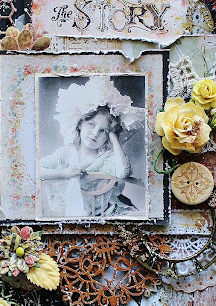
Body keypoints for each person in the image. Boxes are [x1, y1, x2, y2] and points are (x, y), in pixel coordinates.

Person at [38, 76, 144, 218]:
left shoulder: (106, 158)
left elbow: (123, 172)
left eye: (103, 131)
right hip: (72, 214)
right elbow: (36, 171)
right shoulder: (65, 155)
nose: (95, 133)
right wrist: (64, 173)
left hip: (105, 214)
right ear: (80, 124)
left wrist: (114, 138)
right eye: (91, 124)